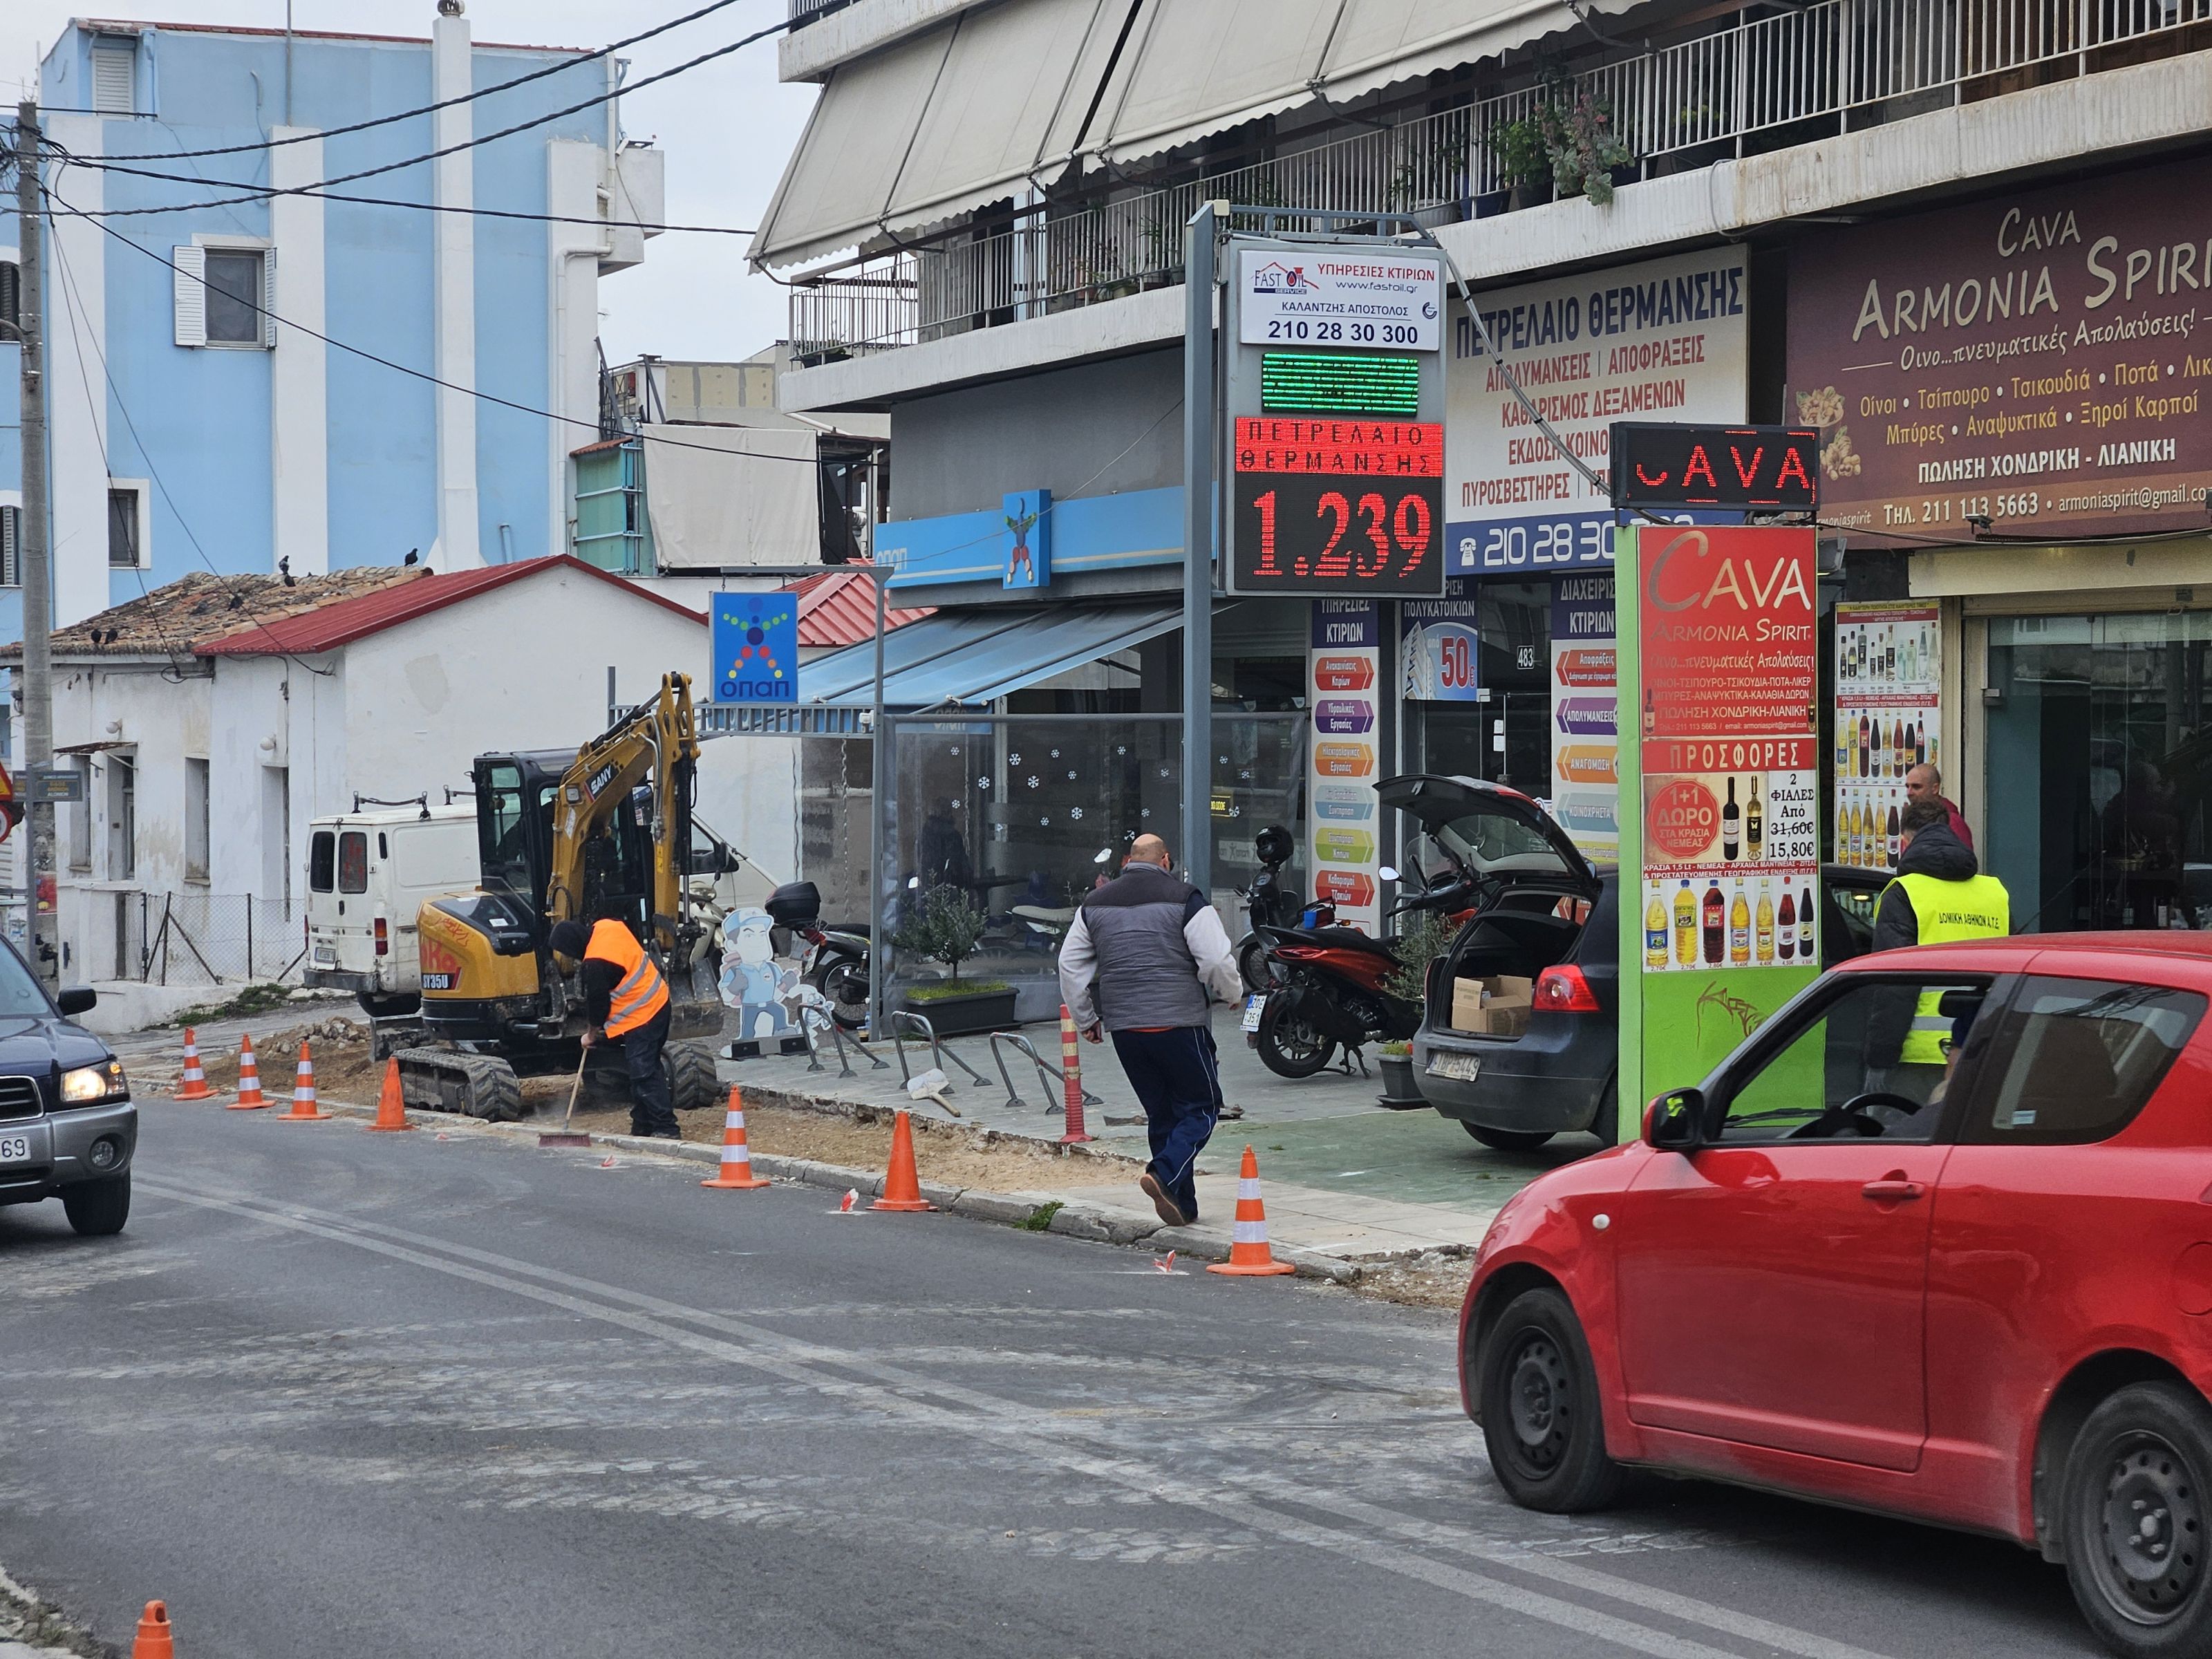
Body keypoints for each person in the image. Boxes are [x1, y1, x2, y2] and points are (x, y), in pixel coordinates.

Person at [1056, 835, 1242, 1228]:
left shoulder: (1093, 905)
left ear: (1128, 861)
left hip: (1126, 1029)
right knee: (1203, 1107)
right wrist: (1233, 993)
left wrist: (1086, 1019)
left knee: (1162, 1114)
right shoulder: (1185, 897)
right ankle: (1163, 1173)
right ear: (1166, 860)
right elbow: (1214, 958)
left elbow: (1070, 967)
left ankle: (1181, 1204)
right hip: (1179, 1023)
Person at [1868, 796, 2009, 1079]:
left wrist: (1879, 1059)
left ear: (1906, 842)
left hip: (1921, 1059)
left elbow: (1894, 987)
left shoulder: (1904, 893)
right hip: (1985, 1049)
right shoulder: (1994, 892)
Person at [549, 917, 677, 1139]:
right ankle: (643, 1125)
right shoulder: (607, 926)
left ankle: (666, 1128)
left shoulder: (594, 963)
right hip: (660, 1001)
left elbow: (598, 1005)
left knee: (644, 1072)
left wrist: (590, 1035)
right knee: (646, 1068)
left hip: (642, 1015)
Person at [1902, 762, 1974, 852]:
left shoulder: (1953, 823)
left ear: (1935, 789)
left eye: (1917, 787)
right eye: (1907, 787)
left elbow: (1963, 861)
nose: (1909, 793)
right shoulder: (1911, 821)